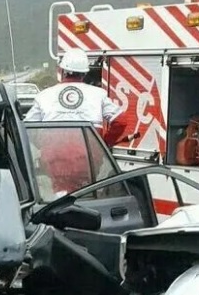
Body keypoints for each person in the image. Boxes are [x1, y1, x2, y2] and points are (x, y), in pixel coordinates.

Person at [24, 48, 128, 197]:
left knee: (58, 200)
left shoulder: (44, 96)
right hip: (88, 161)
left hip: (54, 160)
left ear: (62, 71)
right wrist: (103, 144)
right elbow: (121, 121)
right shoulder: (98, 94)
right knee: (87, 197)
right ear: (84, 74)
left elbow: (27, 127)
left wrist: (43, 144)